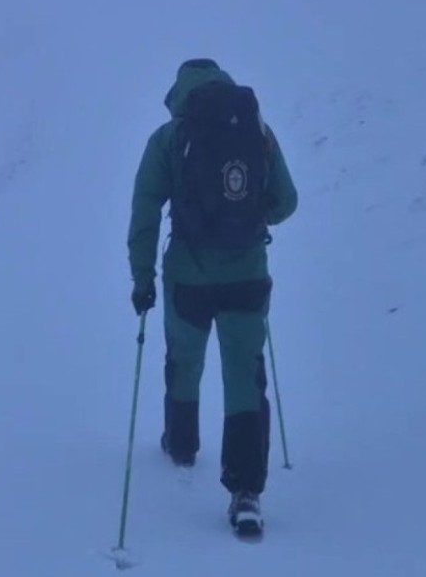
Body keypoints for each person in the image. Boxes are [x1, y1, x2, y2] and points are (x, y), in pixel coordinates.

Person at [126, 58, 298, 536]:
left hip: (187, 276)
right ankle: (246, 495)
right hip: (247, 274)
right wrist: (248, 217)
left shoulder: (168, 139)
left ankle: (181, 444)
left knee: (186, 358)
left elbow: (144, 209)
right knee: (244, 375)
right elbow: (286, 202)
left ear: (180, 94)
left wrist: (142, 279)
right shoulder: (257, 130)